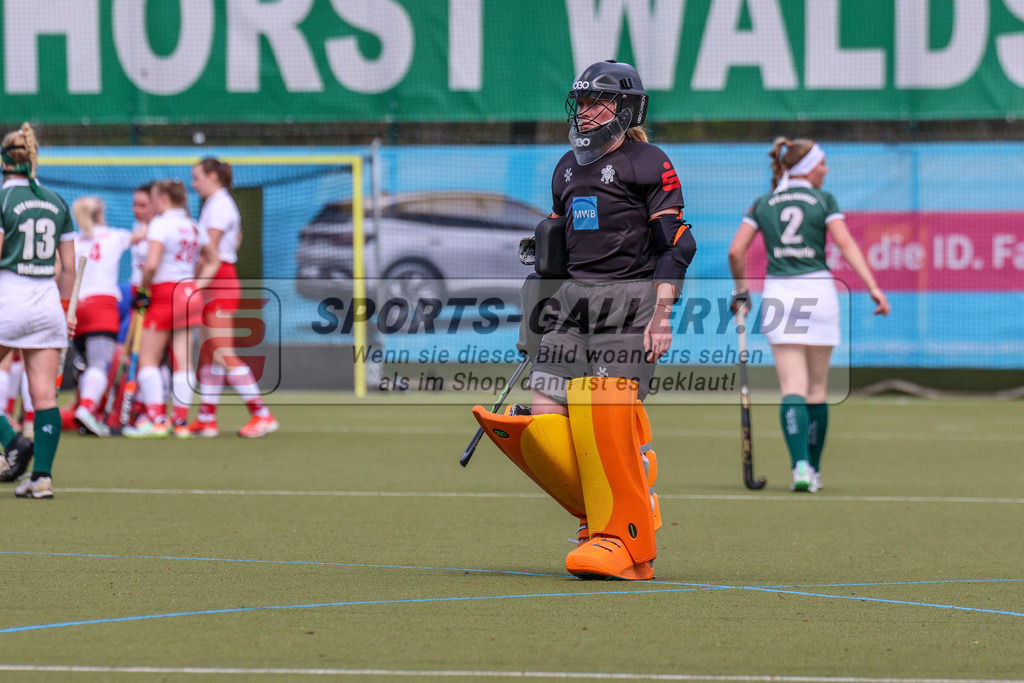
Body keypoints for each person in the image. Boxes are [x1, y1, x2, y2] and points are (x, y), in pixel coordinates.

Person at [472, 61, 696, 580]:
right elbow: (559, 240)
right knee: (547, 417)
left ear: (625, 108)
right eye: (582, 102)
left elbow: (675, 244)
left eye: (597, 101)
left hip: (631, 301)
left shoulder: (649, 161)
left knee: (608, 419)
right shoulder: (566, 168)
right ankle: (597, 518)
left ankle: (627, 532)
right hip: (571, 304)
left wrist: (661, 316)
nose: (586, 111)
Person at [727, 137, 890, 493]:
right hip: (818, 293)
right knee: (817, 389)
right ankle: (812, 470)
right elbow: (845, 244)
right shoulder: (823, 200)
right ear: (807, 167)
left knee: (792, 388)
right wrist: (873, 286)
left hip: (779, 294)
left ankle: (799, 466)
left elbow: (736, 251)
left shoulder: (763, 202)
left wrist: (741, 289)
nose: (826, 170)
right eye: (822, 164)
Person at [0, 122, 77, 498]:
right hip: (47, 302)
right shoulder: (57, 201)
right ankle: (41, 478)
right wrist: (66, 311)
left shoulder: (2, 199)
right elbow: (69, 267)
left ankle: (12, 442)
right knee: (45, 397)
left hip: (9, 298)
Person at [123, 180, 220, 438]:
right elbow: (214, 259)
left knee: (148, 360)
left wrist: (143, 291)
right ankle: (179, 422)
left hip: (165, 293)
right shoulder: (193, 225)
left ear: (163, 199)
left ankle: (156, 419)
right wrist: (196, 285)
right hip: (188, 293)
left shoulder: (160, 224)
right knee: (184, 362)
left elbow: (151, 265)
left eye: (155, 199)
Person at [189, 158, 277, 438]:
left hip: (219, 282)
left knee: (224, 354)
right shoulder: (215, 204)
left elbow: (210, 252)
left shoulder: (218, 206)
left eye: (197, 177)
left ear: (213, 176)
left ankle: (262, 414)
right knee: (210, 353)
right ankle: (206, 418)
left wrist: (194, 284)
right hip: (214, 280)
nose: (194, 184)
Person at [70, 196, 137, 436]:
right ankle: (87, 409)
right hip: (102, 306)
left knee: (87, 363)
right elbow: (144, 235)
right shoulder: (115, 236)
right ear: (100, 213)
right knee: (100, 363)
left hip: (76, 307)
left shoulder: (74, 241)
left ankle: (87, 411)